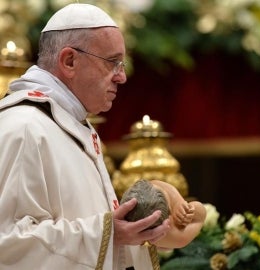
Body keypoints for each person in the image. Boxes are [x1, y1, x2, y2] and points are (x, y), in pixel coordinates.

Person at [0, 3, 170, 270]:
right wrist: (109, 234)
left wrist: (134, 230)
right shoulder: (24, 128)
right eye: (112, 62)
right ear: (69, 61)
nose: (122, 77)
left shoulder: (68, 123)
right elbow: (8, 245)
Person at [120, 179, 207, 249]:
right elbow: (199, 214)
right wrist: (188, 208)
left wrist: (177, 201)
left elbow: (154, 183)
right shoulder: (171, 233)